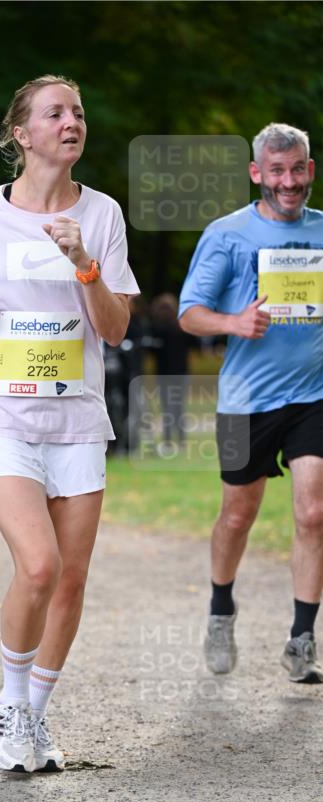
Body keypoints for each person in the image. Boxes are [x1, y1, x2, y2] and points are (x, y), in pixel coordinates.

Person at [0, 75, 139, 773]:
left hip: (78, 420)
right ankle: (10, 702)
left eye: (78, 112)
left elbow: (114, 331)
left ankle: (34, 717)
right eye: (55, 113)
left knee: (72, 578)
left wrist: (83, 263)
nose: (71, 122)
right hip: (2, 415)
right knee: (39, 565)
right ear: (21, 133)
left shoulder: (104, 215)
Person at [179, 123, 323, 684]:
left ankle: (302, 638)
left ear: (310, 170)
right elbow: (191, 312)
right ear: (257, 173)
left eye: (298, 170)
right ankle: (220, 608)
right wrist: (234, 322)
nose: (288, 182)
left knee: (314, 512)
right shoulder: (227, 234)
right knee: (238, 515)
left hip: (314, 395)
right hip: (247, 399)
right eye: (277, 171)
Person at [150, 292, 192, 456]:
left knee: (167, 407)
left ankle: (168, 440)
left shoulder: (157, 329)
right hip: (181, 373)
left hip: (164, 373)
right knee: (178, 407)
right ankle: (181, 440)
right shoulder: (181, 327)